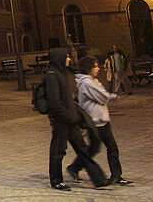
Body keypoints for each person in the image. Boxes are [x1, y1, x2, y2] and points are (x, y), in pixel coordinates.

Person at [43, 47, 108, 191]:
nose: (69, 59)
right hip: (61, 121)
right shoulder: (52, 76)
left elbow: (66, 100)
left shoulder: (62, 74)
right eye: (67, 57)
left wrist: (75, 115)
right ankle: (56, 180)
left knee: (82, 149)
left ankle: (98, 179)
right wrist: (67, 115)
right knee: (58, 152)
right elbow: (54, 103)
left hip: (71, 121)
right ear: (59, 58)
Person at [68, 56, 133, 187]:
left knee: (95, 148)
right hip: (96, 122)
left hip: (100, 120)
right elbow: (102, 96)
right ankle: (116, 175)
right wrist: (114, 96)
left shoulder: (91, 81)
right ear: (89, 68)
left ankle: (75, 168)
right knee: (109, 147)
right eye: (95, 66)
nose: (98, 68)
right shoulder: (88, 83)